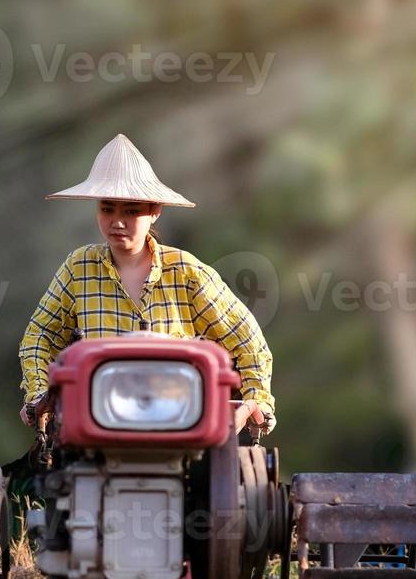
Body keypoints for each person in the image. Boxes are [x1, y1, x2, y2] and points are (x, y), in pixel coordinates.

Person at [18, 134, 275, 438]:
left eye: (131, 210)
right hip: (99, 422)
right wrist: (38, 394)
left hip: (180, 422)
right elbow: (40, 336)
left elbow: (245, 337)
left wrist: (256, 400)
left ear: (155, 211)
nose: (117, 221)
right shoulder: (78, 268)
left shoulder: (186, 271)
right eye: (108, 208)